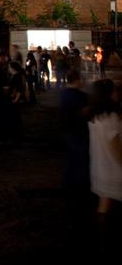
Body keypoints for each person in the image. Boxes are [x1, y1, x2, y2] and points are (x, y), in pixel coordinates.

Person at [86, 79, 122, 244]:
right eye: (115, 90)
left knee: (104, 206)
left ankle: (103, 242)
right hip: (114, 169)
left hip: (100, 166)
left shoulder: (95, 116)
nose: (118, 92)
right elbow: (117, 149)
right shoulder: (111, 118)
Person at [60, 70, 89, 198]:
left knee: (71, 158)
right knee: (81, 160)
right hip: (79, 131)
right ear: (77, 80)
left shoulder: (63, 94)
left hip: (67, 129)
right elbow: (84, 113)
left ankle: (66, 183)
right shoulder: (82, 96)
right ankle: (79, 187)